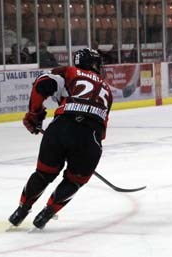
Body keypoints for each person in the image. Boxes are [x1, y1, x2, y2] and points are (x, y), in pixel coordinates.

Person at [8, 48, 113, 229]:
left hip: (60, 129)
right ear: (94, 64)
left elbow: (42, 83)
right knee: (74, 180)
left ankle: (21, 210)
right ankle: (47, 213)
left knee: (43, 174)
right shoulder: (107, 90)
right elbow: (101, 130)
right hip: (90, 137)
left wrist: (35, 114)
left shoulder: (69, 72)